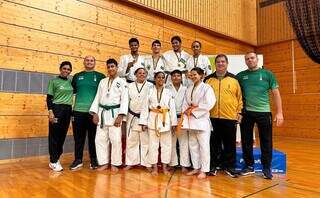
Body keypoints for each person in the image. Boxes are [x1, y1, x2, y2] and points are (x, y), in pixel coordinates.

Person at [236, 52, 284, 179]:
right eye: (247, 59)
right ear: (245, 61)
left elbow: (276, 93)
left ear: (257, 59)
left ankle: (266, 168)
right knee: (246, 141)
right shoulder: (240, 76)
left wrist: (279, 113)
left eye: (252, 58)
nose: (250, 60)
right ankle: (249, 166)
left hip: (264, 113)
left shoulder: (268, 74)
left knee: (266, 141)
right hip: (246, 113)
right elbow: (235, 95)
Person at [204, 54, 243, 178]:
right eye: (218, 62)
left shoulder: (235, 79)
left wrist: (240, 112)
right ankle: (213, 166)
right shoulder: (208, 79)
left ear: (227, 63)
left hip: (229, 117)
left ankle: (229, 167)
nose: (220, 64)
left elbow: (241, 98)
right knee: (213, 143)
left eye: (223, 62)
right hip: (212, 118)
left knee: (229, 144)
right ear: (215, 64)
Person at [89, 58, 128, 172]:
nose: (110, 69)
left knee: (115, 140)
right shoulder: (103, 81)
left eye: (112, 66)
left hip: (115, 114)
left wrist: (120, 116)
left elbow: (125, 100)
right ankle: (104, 163)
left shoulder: (122, 82)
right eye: (109, 67)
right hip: (102, 114)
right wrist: (95, 113)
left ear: (117, 68)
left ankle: (115, 163)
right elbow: (97, 97)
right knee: (100, 140)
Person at [70, 56, 105, 170]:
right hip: (78, 112)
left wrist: (98, 112)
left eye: (92, 60)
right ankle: (78, 160)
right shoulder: (77, 76)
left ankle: (93, 160)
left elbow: (103, 96)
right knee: (78, 138)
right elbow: (73, 94)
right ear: (84, 62)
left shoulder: (100, 77)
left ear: (95, 63)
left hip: (93, 113)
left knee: (93, 137)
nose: (89, 62)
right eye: (87, 60)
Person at [139, 71, 177, 176]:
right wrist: (143, 122)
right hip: (153, 119)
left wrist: (174, 123)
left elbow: (172, 108)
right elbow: (145, 107)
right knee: (153, 145)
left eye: (162, 77)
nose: (161, 79)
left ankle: (164, 167)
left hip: (165, 120)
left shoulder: (168, 92)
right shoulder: (150, 91)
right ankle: (155, 167)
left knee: (167, 145)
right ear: (155, 79)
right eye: (159, 77)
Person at [180, 67, 216, 179]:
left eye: (195, 74)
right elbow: (185, 103)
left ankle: (204, 170)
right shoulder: (189, 88)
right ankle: (196, 167)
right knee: (193, 145)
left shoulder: (207, 88)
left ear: (202, 75)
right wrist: (186, 111)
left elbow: (210, 103)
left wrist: (194, 111)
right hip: (191, 120)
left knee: (204, 146)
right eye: (191, 75)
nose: (193, 77)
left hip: (202, 120)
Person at [125, 67, 153, 171]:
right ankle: (131, 162)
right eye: (139, 73)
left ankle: (147, 164)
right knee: (132, 140)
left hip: (145, 117)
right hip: (132, 116)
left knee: (146, 141)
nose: (142, 74)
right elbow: (126, 101)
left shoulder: (151, 86)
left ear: (146, 75)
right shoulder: (129, 86)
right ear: (135, 74)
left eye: (144, 73)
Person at [47, 61, 73, 171]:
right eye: (64, 68)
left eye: (68, 69)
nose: (66, 71)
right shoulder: (53, 81)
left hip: (68, 110)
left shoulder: (71, 82)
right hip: (57, 109)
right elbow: (49, 98)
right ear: (60, 69)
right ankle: (53, 161)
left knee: (62, 135)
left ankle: (56, 158)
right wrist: (50, 112)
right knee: (54, 136)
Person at [167, 70, 190, 173]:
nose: (176, 77)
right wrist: (172, 120)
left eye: (178, 76)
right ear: (171, 78)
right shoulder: (167, 89)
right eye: (174, 76)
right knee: (171, 142)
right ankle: (172, 163)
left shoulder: (186, 89)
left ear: (182, 77)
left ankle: (184, 165)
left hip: (182, 117)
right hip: (170, 118)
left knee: (183, 142)